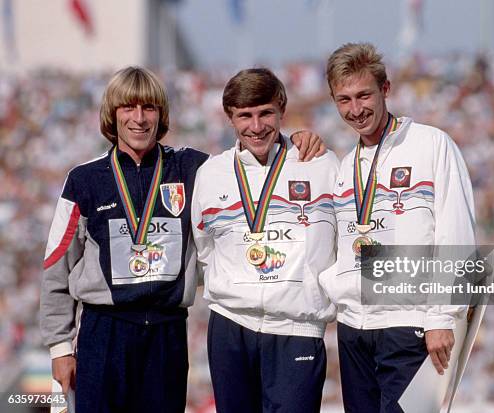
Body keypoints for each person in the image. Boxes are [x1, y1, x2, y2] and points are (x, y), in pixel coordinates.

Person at [40, 66, 324, 413]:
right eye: (129, 108)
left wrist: (296, 141)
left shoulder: (194, 169)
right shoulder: (84, 180)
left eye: (150, 108)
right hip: (104, 332)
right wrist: (60, 347)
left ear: (162, 114)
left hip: (166, 332)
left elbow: (251, 162)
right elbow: (56, 266)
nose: (140, 119)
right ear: (112, 115)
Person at [320, 43, 476, 412]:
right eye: (344, 100)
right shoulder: (345, 166)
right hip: (354, 330)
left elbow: (455, 235)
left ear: (385, 89)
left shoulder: (431, 144)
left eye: (364, 95)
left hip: (412, 324)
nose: (356, 110)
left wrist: (441, 316)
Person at [191, 68, 339, 413]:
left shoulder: (319, 164)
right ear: (230, 118)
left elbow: (342, 240)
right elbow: (205, 248)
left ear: (282, 111)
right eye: (245, 116)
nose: (256, 127)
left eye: (265, 113)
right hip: (231, 325)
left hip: (296, 327)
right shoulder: (211, 174)